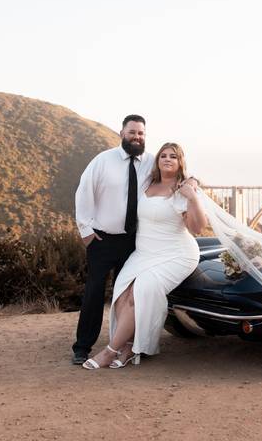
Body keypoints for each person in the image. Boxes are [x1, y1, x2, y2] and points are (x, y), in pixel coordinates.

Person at [82, 142, 206, 369]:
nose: (167, 159)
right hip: (145, 253)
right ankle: (129, 347)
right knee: (121, 292)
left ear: (180, 163)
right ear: (157, 160)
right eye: (164, 156)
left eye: (173, 157)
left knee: (140, 292)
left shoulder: (182, 191)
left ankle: (110, 351)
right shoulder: (146, 183)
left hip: (176, 254)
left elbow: (198, 229)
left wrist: (193, 196)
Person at [71, 114, 153, 365]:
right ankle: (82, 347)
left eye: (140, 133)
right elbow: (84, 192)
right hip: (102, 240)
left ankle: (120, 345)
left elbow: (176, 174)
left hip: (134, 241)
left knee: (126, 295)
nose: (136, 137)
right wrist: (86, 231)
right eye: (132, 132)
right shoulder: (103, 161)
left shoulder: (151, 163)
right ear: (122, 133)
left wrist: (192, 181)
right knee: (94, 293)